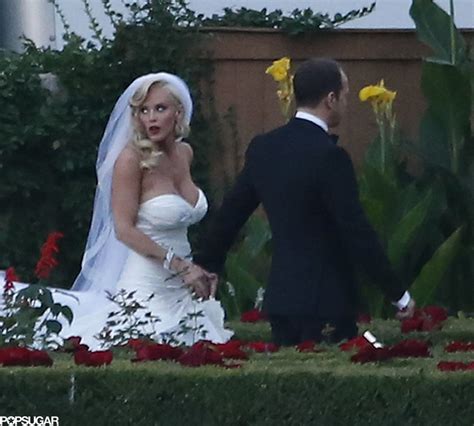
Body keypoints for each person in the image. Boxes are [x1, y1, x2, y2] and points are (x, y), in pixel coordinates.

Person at [194, 58, 415, 346]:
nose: (346, 103)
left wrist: (206, 264)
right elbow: (356, 231)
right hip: (328, 299)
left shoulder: (264, 148)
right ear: (331, 99)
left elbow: (231, 214)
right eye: (345, 95)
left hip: (282, 298)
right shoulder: (330, 156)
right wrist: (398, 294)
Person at [4, 72, 233, 349]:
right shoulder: (131, 160)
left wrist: (197, 270)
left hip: (184, 286)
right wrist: (181, 265)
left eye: (160, 108)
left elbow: (181, 219)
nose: (151, 118)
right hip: (147, 282)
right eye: (143, 110)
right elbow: (124, 230)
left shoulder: (185, 153)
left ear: (178, 112)